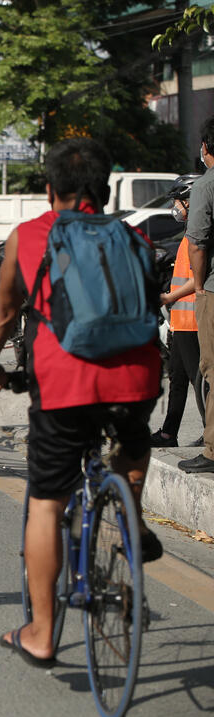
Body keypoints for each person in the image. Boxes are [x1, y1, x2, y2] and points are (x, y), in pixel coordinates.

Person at [0, 137, 163, 667]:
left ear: (49, 188)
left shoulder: (30, 235)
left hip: (64, 386)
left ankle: (41, 632)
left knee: (47, 502)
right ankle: (130, 513)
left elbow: (3, 314)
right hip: (138, 379)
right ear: (103, 189)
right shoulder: (135, 238)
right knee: (132, 443)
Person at [152, 173, 206, 448]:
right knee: (178, 377)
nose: (176, 208)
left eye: (178, 202)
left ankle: (210, 435)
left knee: (201, 383)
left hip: (194, 320)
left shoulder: (201, 234)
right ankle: (168, 433)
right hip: (181, 320)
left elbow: (200, 276)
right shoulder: (190, 234)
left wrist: (168, 297)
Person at [180, 116, 214, 474]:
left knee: (212, 369)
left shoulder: (206, 186)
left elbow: (198, 243)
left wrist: (201, 285)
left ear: (205, 149)